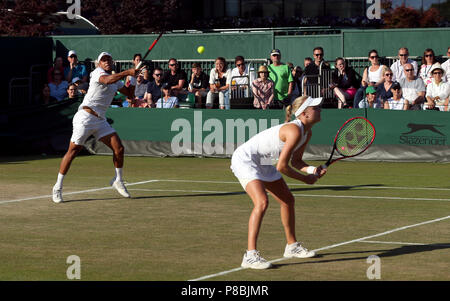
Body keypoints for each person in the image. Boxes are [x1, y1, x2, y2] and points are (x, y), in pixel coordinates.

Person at [230, 95, 327, 269]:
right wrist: (305, 179)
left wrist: (313, 170)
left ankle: (291, 246)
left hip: (265, 161)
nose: (319, 110)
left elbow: (296, 162)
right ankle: (250, 255)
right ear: (304, 113)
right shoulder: (294, 130)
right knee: (262, 202)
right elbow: (282, 166)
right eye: (315, 108)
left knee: (288, 200)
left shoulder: (307, 132)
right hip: (246, 159)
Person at [52, 52, 142, 203]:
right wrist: (128, 72)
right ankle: (57, 187)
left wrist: (133, 77)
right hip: (85, 117)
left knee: (119, 149)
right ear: (99, 63)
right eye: (103, 60)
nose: (106, 62)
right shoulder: (97, 73)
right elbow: (107, 80)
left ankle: (118, 180)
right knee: (73, 152)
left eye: (109, 60)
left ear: (112, 62)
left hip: (100, 120)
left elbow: (130, 94)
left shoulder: (116, 79)